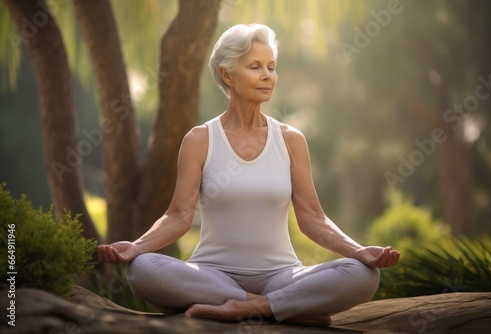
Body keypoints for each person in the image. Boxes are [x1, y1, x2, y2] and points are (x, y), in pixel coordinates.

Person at [98, 23, 400, 327]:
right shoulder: (200, 139)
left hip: (281, 277)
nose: (268, 75)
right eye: (255, 66)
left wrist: (360, 252)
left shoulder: (291, 139)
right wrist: (136, 246)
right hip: (212, 276)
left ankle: (255, 306)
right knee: (142, 269)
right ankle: (278, 308)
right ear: (227, 75)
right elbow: (178, 215)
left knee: (363, 275)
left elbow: (313, 218)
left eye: (272, 66)